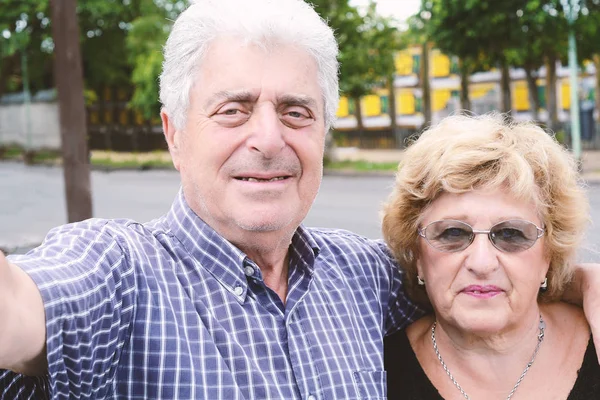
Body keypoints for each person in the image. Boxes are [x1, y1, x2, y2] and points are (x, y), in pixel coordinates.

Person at [0, 1, 599, 398]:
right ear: (174, 133)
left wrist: (576, 281)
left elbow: (474, 270)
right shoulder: (117, 270)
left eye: (295, 112)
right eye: (232, 110)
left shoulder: (365, 276)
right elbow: (19, 312)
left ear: (322, 135)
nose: (268, 139)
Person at [382, 113, 600, 399]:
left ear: (549, 253)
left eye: (511, 234)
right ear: (418, 257)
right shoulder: (379, 372)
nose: (482, 263)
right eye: (452, 234)